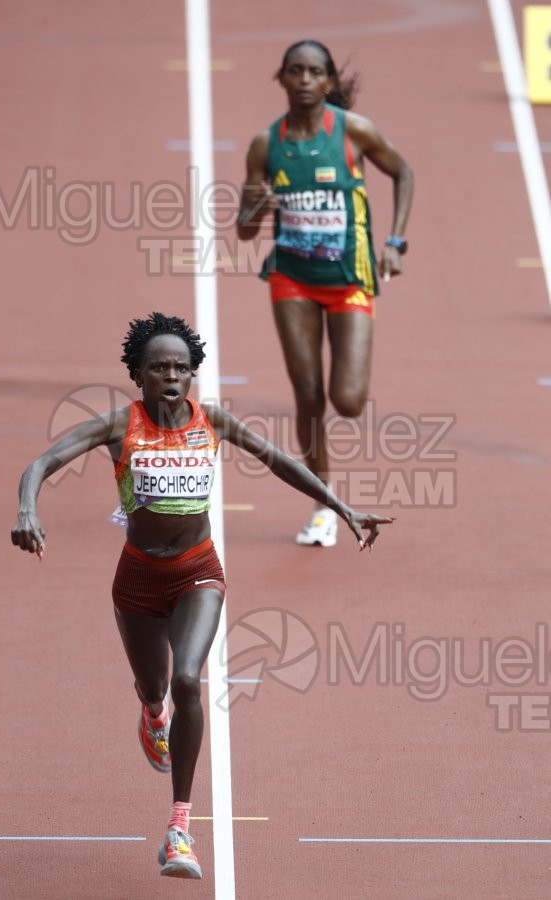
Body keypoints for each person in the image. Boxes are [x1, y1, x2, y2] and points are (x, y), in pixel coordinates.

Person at [11, 312, 393, 880]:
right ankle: (150, 712)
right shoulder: (119, 425)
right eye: (159, 367)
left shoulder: (212, 419)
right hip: (137, 579)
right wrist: (27, 509)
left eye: (182, 368)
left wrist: (340, 506)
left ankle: (179, 829)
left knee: (190, 678)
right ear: (138, 375)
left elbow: (278, 460)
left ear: (193, 376)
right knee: (156, 685)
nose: (172, 376)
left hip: (198, 573)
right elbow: (41, 463)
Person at [236, 39, 414, 548]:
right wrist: (258, 207)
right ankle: (324, 505)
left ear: (330, 81)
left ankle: (325, 494)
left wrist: (396, 242)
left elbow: (403, 172)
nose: (306, 80)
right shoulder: (265, 145)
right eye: (296, 71)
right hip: (291, 278)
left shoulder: (354, 132)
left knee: (349, 400)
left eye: (316, 72)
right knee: (309, 395)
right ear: (283, 79)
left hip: (351, 277)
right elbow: (245, 231)